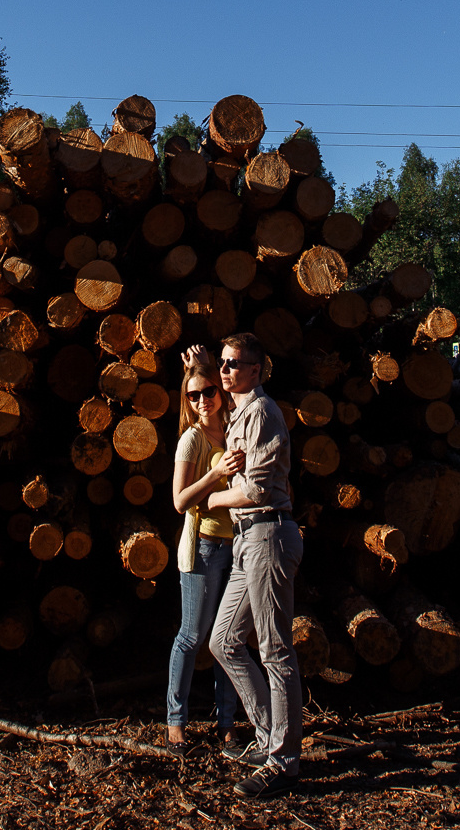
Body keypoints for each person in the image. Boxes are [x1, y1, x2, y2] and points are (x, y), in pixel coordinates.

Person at [199, 331, 303, 800]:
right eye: (223, 362)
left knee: (275, 650)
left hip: (266, 532)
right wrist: (196, 365)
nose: (226, 371)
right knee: (223, 641)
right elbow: (199, 401)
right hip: (246, 540)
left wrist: (213, 495)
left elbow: (256, 490)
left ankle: (283, 761)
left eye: (235, 364)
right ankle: (268, 737)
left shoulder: (262, 412)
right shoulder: (240, 411)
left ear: (257, 370)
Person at [165, 353, 243, 747]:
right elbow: (179, 501)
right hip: (204, 548)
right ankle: (175, 721)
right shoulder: (191, 439)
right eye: (193, 396)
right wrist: (215, 474)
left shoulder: (232, 429)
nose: (201, 401)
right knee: (192, 636)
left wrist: (209, 361)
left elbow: (238, 383)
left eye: (208, 392)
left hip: (239, 546)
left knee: (226, 639)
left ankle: (226, 722)